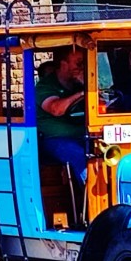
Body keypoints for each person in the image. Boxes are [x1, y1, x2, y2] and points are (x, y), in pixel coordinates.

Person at [35, 47, 87, 186]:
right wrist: (83, 93)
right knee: (79, 155)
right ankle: (95, 197)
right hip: (55, 139)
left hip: (86, 135)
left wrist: (87, 85)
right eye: (79, 63)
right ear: (64, 64)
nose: (83, 67)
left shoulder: (81, 84)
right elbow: (56, 109)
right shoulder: (45, 86)